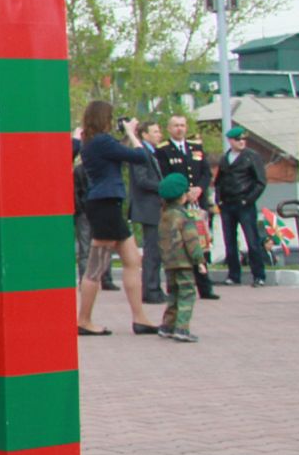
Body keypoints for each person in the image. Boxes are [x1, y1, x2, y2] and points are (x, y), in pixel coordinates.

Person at [75, 102, 160, 337]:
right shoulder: (102, 141)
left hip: (106, 204)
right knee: (95, 267)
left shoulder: (91, 141)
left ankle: (139, 318)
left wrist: (125, 136)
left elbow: (118, 152)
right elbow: (141, 156)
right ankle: (83, 319)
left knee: (132, 260)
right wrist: (132, 132)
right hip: (105, 205)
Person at [155, 115, 219, 300]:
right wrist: (183, 192)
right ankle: (177, 287)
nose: (179, 129)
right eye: (175, 126)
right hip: (177, 203)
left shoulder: (196, 148)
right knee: (180, 244)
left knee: (202, 243)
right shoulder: (163, 150)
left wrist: (199, 188)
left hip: (198, 201)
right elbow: (165, 176)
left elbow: (206, 173)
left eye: (182, 125)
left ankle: (205, 287)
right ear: (169, 129)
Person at [214, 126, 268, 286]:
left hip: (244, 204)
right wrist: (219, 200)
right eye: (238, 140)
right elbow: (219, 182)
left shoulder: (252, 157)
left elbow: (260, 182)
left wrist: (248, 199)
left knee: (252, 240)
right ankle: (233, 275)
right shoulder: (225, 158)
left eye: (244, 139)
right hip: (227, 205)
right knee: (229, 241)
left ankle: (259, 275)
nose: (242, 142)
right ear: (230, 141)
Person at [155, 172, 204, 342]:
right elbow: (191, 241)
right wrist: (200, 261)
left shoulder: (164, 216)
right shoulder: (184, 216)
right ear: (183, 197)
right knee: (187, 294)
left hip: (169, 263)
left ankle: (167, 326)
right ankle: (182, 328)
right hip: (184, 263)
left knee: (173, 294)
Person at [128, 120, 167, 304]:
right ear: (144, 134)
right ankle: (151, 290)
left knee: (156, 250)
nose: (159, 135)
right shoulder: (141, 152)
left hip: (153, 207)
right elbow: (142, 180)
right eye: (155, 131)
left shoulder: (152, 153)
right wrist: (164, 187)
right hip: (148, 207)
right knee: (152, 250)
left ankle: (155, 288)